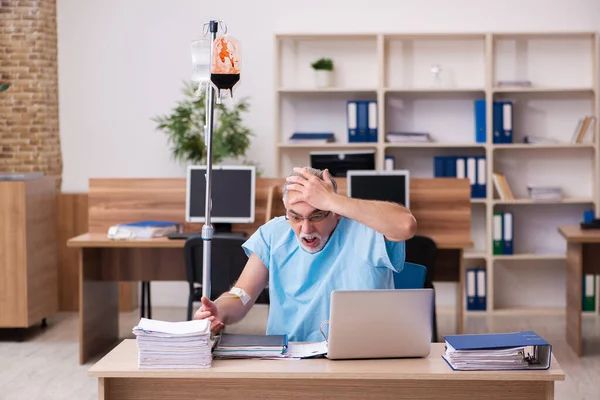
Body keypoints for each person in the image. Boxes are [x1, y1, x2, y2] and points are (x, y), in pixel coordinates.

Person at [194, 166, 417, 342]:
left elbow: (406, 225)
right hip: (291, 356)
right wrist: (220, 310)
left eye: (318, 215)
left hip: (361, 355)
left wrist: (332, 200)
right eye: (296, 217)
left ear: (336, 213)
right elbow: (241, 295)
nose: (306, 229)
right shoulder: (274, 233)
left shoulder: (365, 231)